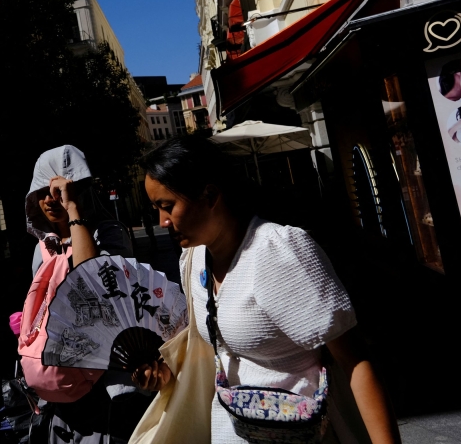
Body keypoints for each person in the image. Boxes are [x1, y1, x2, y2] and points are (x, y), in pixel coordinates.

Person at [131, 136, 400, 444]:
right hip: (228, 431)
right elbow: (215, 351)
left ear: (210, 195)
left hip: (300, 432)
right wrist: (167, 376)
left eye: (167, 206)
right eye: (156, 208)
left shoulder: (278, 251)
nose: (162, 221)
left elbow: (355, 361)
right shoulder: (192, 261)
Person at [23, 145, 149, 444]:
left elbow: (93, 283)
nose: (51, 200)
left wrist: (74, 214)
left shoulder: (109, 233)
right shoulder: (43, 247)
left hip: (106, 382)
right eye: (43, 191)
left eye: (64, 191)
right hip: (57, 381)